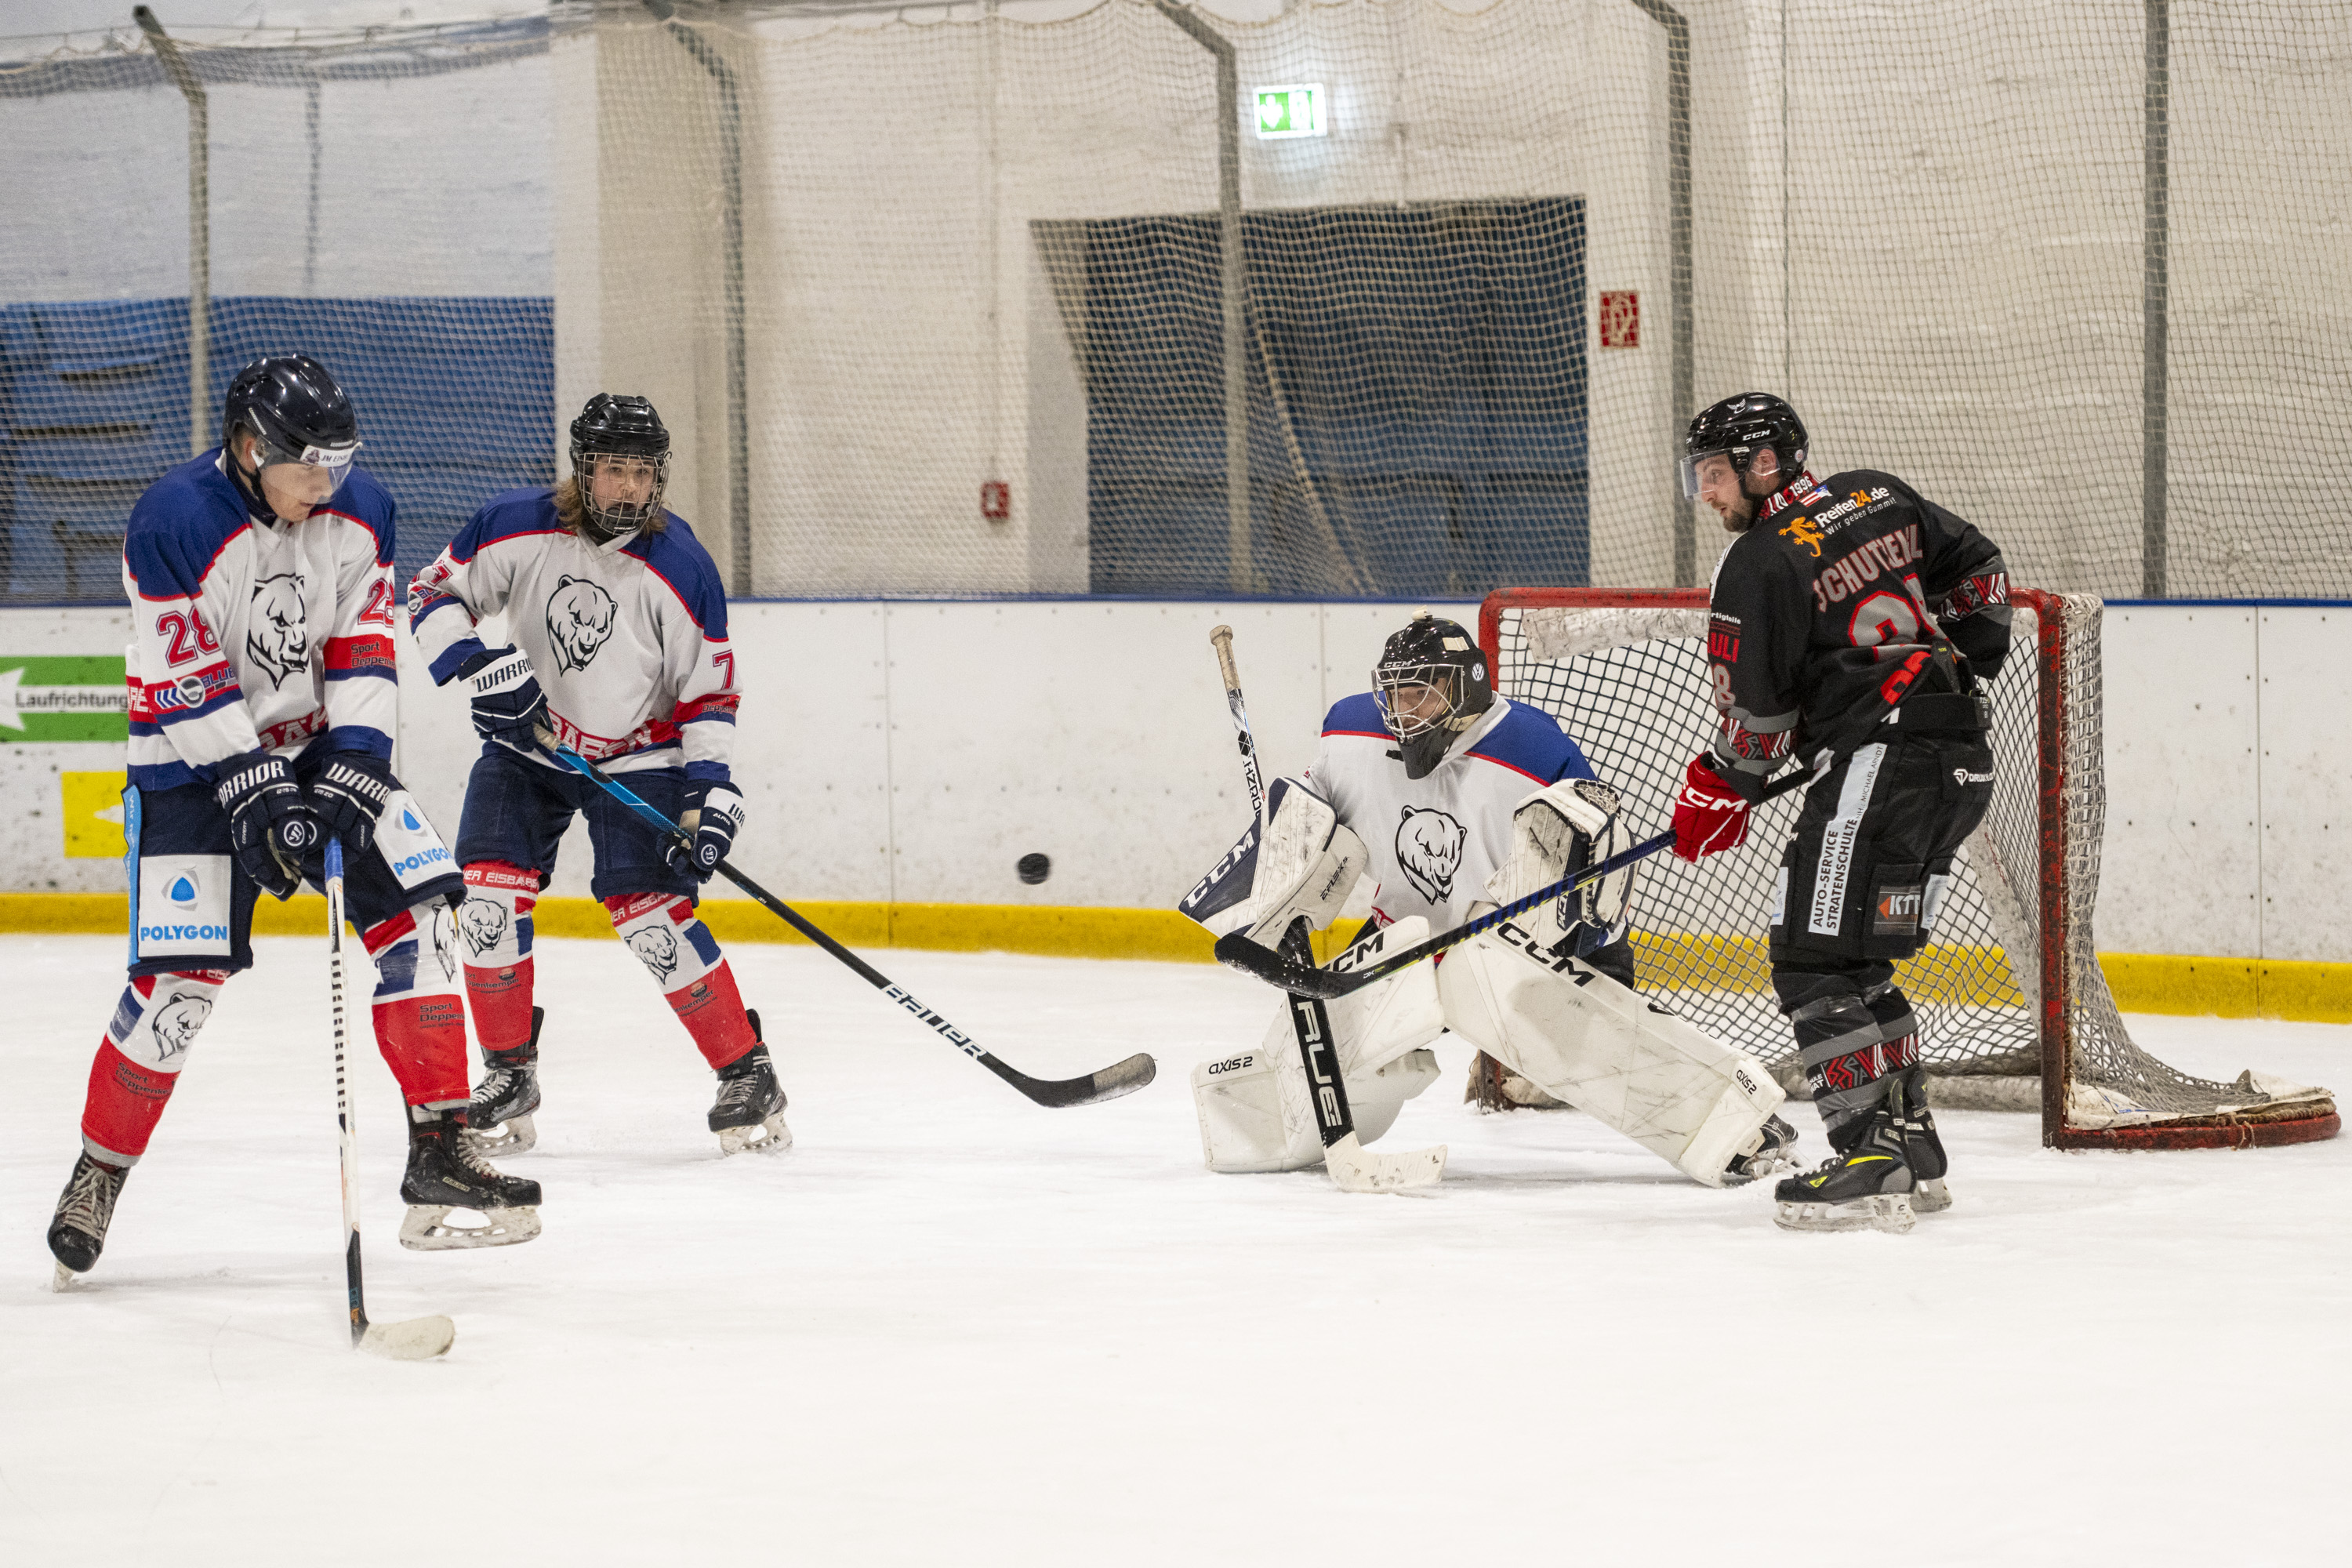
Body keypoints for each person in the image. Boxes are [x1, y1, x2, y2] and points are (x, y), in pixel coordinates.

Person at [46, 355, 539, 1287]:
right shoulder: (171, 519)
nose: (326, 483)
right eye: (306, 464)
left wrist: (359, 755)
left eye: (339, 461)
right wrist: (252, 779)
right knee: (178, 992)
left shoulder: (364, 512)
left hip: (316, 744)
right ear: (248, 448)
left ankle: (440, 1147)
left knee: (420, 919)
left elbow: (360, 639)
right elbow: (183, 678)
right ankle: (98, 1171)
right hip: (192, 761)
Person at [1181, 611, 1795, 1186]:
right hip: (1409, 933)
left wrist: (1557, 959)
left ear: (1467, 687)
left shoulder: (1530, 748)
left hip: (1526, 943)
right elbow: (1311, 819)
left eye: (1422, 692)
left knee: (1592, 1043)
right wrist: (1279, 880)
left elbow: (1594, 859)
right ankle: (1262, 1122)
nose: (1404, 710)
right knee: (1325, 1039)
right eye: (1395, 694)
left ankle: (1741, 1126)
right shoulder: (1351, 734)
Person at [408, 394, 785, 1157]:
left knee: (650, 913)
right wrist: (479, 668)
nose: (627, 488)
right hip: (529, 745)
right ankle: (509, 1071)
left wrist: (711, 793)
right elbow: (430, 593)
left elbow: (708, 692)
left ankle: (747, 1070)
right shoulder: (515, 524)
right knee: (484, 895)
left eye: (642, 472)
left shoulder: (681, 566)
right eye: (613, 468)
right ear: (584, 468)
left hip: (641, 753)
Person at [1669, 391, 2012, 1232]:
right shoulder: (1876, 493)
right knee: (1856, 964)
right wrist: (1972, 650)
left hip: (1882, 761)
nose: (1705, 493)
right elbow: (1981, 572)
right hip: (1960, 756)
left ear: (1762, 462)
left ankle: (1868, 1147)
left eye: (1714, 474)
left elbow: (1759, 728)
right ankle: (1910, 1140)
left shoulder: (1755, 563)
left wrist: (1719, 787)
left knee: (1810, 960)